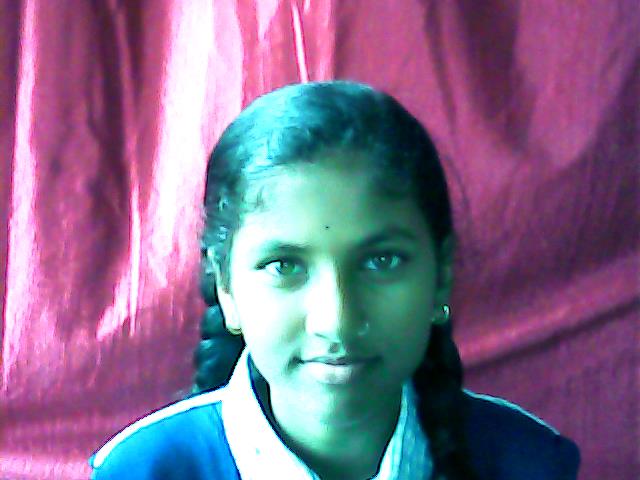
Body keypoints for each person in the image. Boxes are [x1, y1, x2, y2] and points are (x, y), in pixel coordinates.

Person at [88, 81, 580, 480]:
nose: (336, 320)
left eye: (382, 261)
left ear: (440, 278)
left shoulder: (529, 463)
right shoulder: (141, 471)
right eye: (284, 266)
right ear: (226, 290)